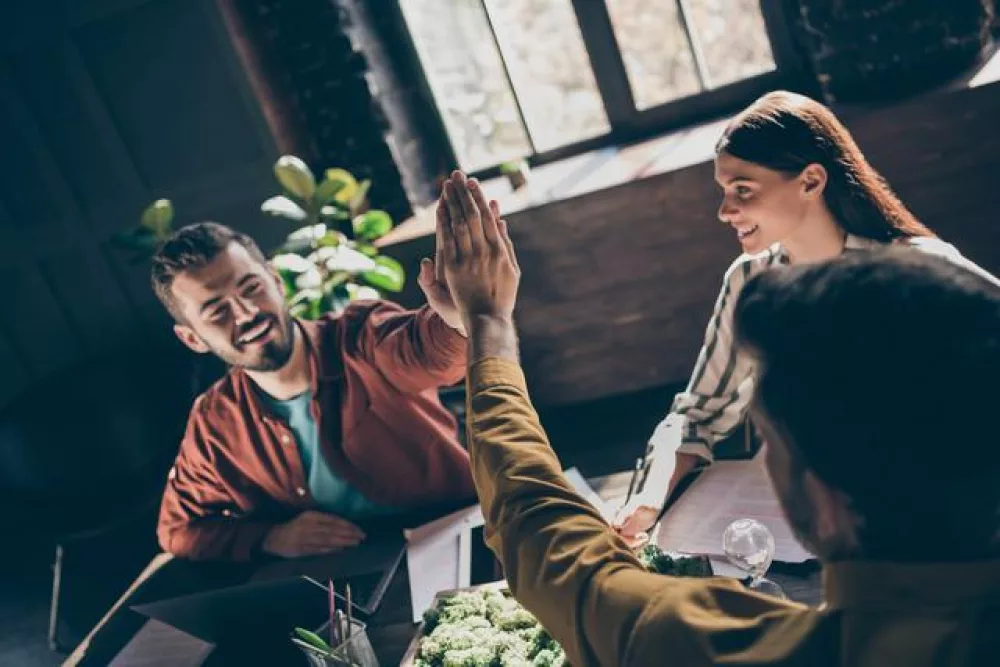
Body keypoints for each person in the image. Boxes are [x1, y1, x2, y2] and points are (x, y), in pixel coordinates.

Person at [436, 169, 1000, 666]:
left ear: (825, 504)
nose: (726, 209)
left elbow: (545, 536)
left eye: (769, 446)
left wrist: (487, 319)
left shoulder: (725, 646)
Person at [617, 90, 999, 540]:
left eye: (743, 190)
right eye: (723, 192)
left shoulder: (916, 268)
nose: (724, 212)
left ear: (811, 181)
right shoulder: (748, 280)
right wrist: (648, 495)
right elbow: (697, 414)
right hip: (806, 525)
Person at [152, 222, 475, 561]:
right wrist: (270, 537)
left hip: (455, 534)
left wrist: (456, 319)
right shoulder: (215, 420)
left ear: (277, 282)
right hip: (340, 576)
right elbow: (177, 530)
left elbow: (429, 351)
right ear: (192, 338)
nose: (247, 313)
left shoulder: (361, 335)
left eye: (251, 288)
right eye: (218, 311)